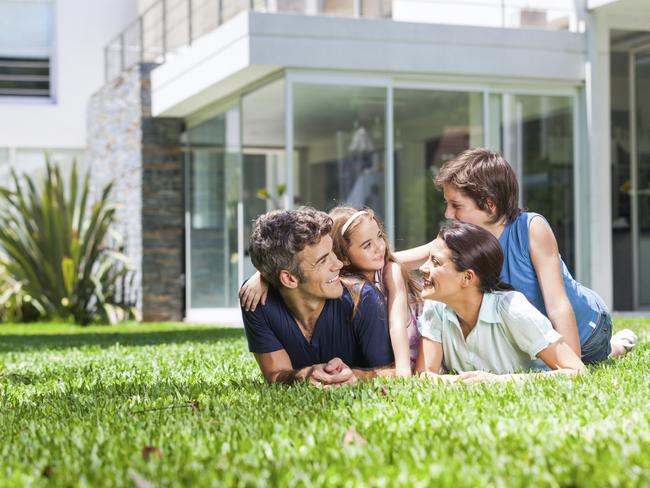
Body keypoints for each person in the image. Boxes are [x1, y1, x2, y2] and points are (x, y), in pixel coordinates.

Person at [434, 148, 636, 364]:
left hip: (586, 329)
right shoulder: (470, 237)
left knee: (592, 357)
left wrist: (572, 365)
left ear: (490, 206)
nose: (447, 214)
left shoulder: (531, 228)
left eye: (456, 205)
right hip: (540, 336)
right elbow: (422, 254)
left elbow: (558, 304)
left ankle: (616, 346)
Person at [241, 206, 425, 376]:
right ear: (288, 279)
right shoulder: (256, 299)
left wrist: (358, 376)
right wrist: (262, 274)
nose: (337, 264)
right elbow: (275, 375)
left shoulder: (366, 295)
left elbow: (393, 371)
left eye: (333, 253)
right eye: (322, 261)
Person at [415, 222, 586, 383]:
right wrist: (454, 381)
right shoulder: (436, 305)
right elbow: (424, 375)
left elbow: (576, 371)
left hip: (591, 332)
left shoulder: (512, 309)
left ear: (467, 277)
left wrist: (497, 381)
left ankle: (614, 346)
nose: (423, 268)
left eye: (435, 262)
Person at [329, 206, 421, 376]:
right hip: (376, 366)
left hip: (406, 360)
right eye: (367, 245)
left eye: (379, 236)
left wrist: (403, 372)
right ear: (344, 258)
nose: (379, 247)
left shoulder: (390, 271)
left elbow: (397, 324)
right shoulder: (343, 287)